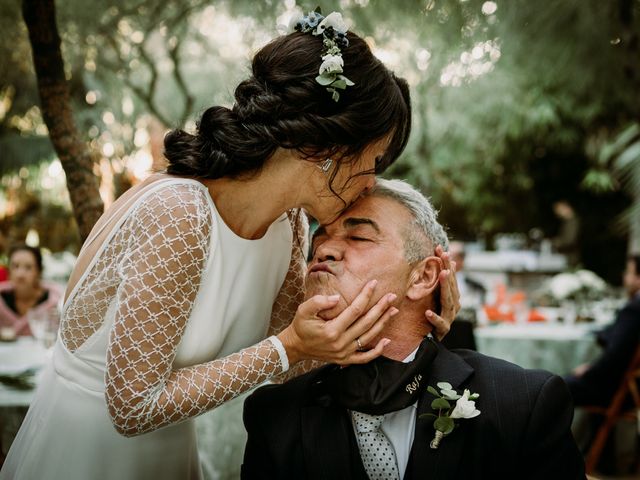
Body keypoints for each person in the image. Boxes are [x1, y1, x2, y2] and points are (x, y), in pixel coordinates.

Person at [0, 11, 459, 480]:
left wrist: (412, 321)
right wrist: (288, 346)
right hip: (84, 455)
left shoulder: (291, 224)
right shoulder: (180, 213)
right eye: (373, 159)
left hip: (171, 453)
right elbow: (132, 406)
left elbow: (293, 370)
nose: (371, 181)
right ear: (327, 148)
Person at [242, 179, 585, 479]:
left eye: (359, 236)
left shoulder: (523, 406)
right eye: (320, 239)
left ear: (423, 277)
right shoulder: (274, 417)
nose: (324, 250)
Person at [565, 255, 640, 407]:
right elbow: (621, 337)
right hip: (629, 387)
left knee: (550, 389)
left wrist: (588, 370)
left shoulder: (634, 309)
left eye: (628, 273)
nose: (624, 277)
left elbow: (615, 357)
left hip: (618, 390)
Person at [0, 245, 62, 337]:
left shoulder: (55, 302)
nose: (20, 274)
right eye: (15, 266)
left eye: (28, 267)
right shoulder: (2, 298)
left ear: (38, 272)